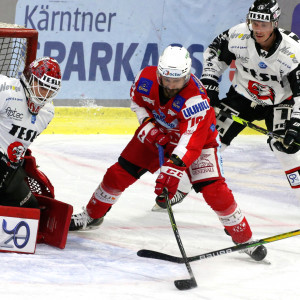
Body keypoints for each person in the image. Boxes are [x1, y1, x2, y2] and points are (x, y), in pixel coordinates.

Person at [69, 45, 267, 261]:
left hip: (199, 143)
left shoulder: (196, 100)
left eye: (178, 80)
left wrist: (172, 171)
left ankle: (244, 238)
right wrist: (148, 127)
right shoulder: (145, 79)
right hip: (158, 135)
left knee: (215, 191)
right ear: (159, 74)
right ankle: (92, 215)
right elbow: (137, 103)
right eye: (167, 79)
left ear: (187, 75)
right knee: (118, 173)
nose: (172, 85)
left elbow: (190, 142)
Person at [199, 0, 300, 202]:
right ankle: (180, 188)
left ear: (275, 23)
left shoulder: (293, 51)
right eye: (254, 22)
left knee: (284, 145)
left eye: (263, 24)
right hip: (243, 96)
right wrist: (209, 81)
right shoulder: (238, 35)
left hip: (280, 101)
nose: (258, 29)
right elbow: (214, 53)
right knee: (211, 140)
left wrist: (297, 122)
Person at [0, 56, 61, 208]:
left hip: (11, 172)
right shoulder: (6, 90)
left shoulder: (47, 112)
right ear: (29, 78)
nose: (44, 95)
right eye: (41, 86)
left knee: (32, 208)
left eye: (50, 90)